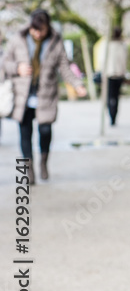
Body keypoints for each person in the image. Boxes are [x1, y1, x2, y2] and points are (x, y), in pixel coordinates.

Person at [1, 10, 87, 183]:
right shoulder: (18, 39)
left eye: (41, 30)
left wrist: (77, 84)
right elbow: (4, 62)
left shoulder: (56, 42)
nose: (38, 34)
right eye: (35, 30)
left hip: (45, 95)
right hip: (22, 95)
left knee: (45, 131)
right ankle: (28, 170)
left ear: (48, 27)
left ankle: (43, 161)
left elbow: (64, 66)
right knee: (25, 134)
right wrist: (17, 68)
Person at [94, 27, 128, 126]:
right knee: (116, 96)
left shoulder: (106, 45)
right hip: (118, 74)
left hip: (108, 74)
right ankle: (114, 115)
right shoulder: (122, 45)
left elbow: (102, 60)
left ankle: (111, 114)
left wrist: (100, 70)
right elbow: (124, 61)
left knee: (109, 96)